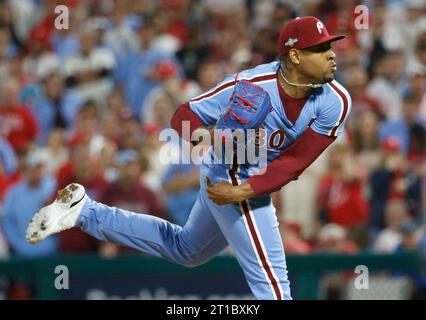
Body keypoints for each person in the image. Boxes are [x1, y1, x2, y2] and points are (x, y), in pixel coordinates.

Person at [26, 16, 351, 300]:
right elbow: (184, 114)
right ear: (294, 55)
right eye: (321, 49)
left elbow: (295, 161)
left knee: (187, 250)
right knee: (274, 285)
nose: (331, 55)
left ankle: (85, 212)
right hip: (229, 169)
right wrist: (203, 137)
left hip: (247, 182)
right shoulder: (251, 86)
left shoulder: (335, 100)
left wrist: (243, 191)